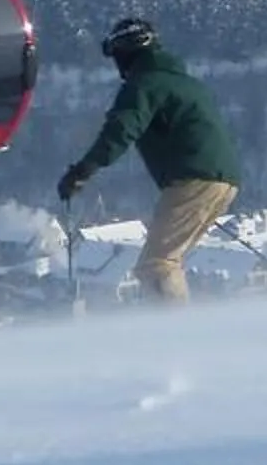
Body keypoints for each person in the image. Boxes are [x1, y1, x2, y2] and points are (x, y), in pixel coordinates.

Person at [57, 17, 245, 303]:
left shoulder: (145, 83)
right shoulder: (181, 80)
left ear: (127, 52)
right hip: (219, 180)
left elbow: (121, 130)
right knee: (167, 260)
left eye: (117, 54)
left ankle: (174, 335)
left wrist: (82, 171)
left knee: (156, 265)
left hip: (194, 181)